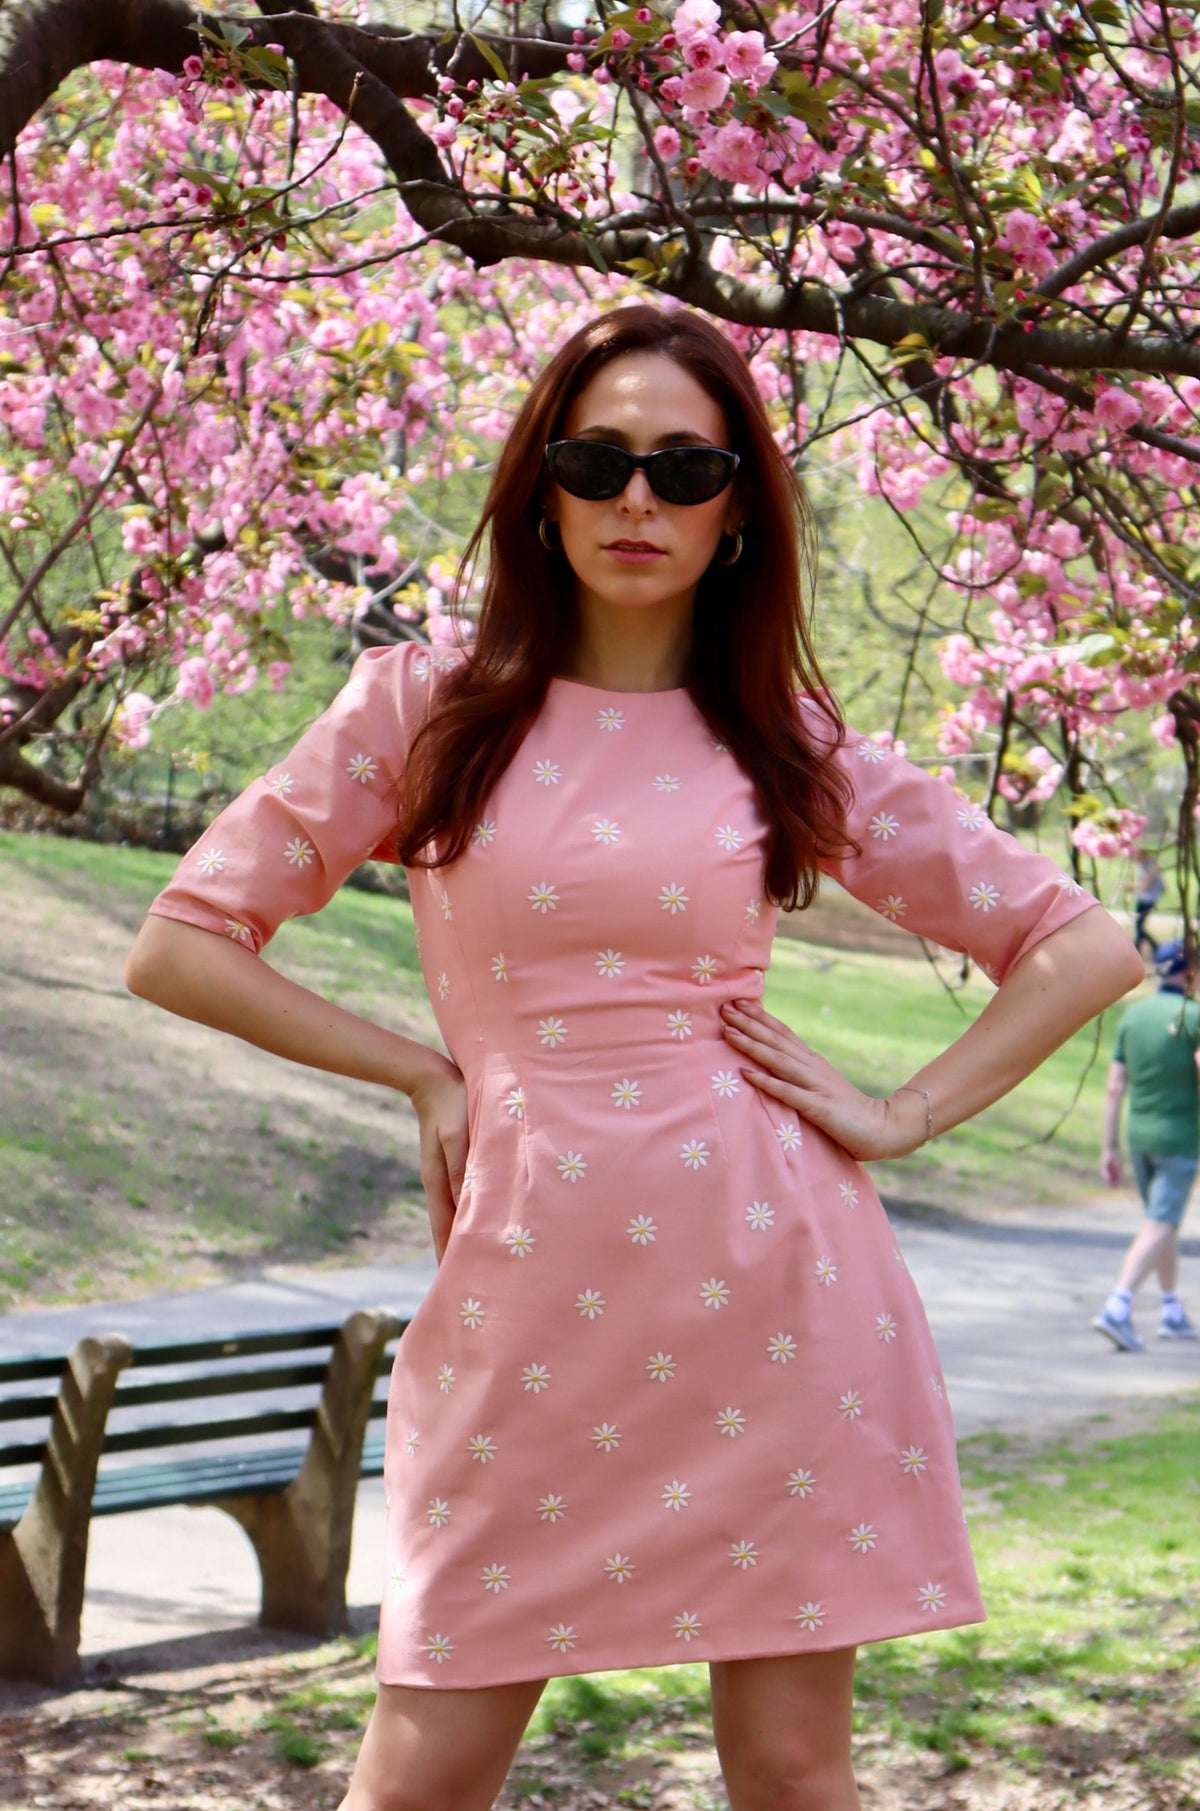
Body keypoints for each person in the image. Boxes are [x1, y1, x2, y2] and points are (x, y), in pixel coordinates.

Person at [126, 306, 1143, 1811]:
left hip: (779, 1289)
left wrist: (904, 1110)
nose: (637, 500)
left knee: (795, 1771)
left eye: (686, 467)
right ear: (545, 484)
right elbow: (183, 939)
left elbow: (1081, 943)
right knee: (420, 1769)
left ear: (740, 507)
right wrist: (428, 1070)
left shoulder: (783, 743)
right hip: (529, 1286)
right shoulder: (429, 707)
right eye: (599, 460)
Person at [1093, 938, 1200, 1352]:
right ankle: (1118, 1307)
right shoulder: (1192, 1015)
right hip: (1179, 1139)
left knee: (1162, 1223)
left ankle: (1171, 1309)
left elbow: (1114, 1087)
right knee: (1161, 1224)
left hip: (1139, 1137)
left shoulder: (1133, 1017)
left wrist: (1109, 1147)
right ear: (1189, 973)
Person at [1131, 853, 1165, 960]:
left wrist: (1132, 886)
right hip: (1143, 899)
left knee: (1139, 925)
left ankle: (1153, 946)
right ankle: (1140, 948)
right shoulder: (1142, 865)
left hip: (1149, 900)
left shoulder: (1151, 866)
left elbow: (1145, 885)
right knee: (1139, 925)